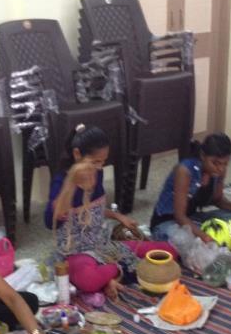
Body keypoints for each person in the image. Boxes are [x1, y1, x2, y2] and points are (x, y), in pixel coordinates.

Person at [45, 124, 177, 300]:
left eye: (103, 161)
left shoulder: (97, 173)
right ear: (77, 154)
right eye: (95, 162)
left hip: (101, 243)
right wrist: (70, 185)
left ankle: (110, 274)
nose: (99, 167)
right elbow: (50, 222)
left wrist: (118, 216)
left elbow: (93, 210)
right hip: (76, 251)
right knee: (88, 280)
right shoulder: (61, 181)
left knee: (169, 251)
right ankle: (116, 271)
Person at [150, 133, 231, 243]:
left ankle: (211, 238)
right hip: (169, 222)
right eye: (215, 163)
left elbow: (217, 200)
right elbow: (179, 216)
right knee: (184, 240)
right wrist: (204, 236)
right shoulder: (184, 171)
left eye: (225, 164)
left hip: (193, 218)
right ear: (202, 155)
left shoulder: (219, 171)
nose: (220, 168)